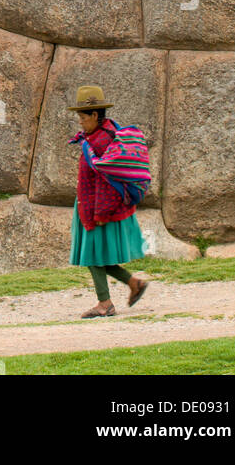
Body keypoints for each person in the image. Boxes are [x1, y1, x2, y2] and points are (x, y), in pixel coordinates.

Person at [67, 85, 149, 318]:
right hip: (91, 206)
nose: (80, 123)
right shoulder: (98, 135)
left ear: (94, 115)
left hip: (99, 209)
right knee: (95, 256)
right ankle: (134, 283)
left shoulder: (101, 141)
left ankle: (105, 303)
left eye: (83, 117)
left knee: (93, 256)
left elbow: (105, 182)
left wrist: (100, 214)